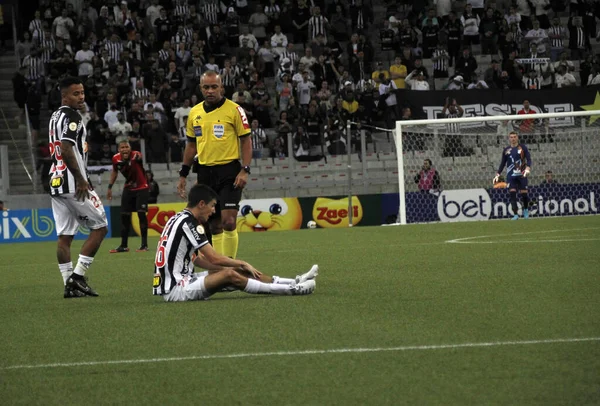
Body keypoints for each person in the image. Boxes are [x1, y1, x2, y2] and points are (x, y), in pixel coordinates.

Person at [154, 184, 317, 302]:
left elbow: (196, 259)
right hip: (176, 289)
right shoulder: (190, 223)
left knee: (233, 270)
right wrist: (242, 263)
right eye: (212, 206)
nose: (213, 211)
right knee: (230, 274)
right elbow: (214, 258)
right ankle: (291, 290)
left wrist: (232, 266)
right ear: (201, 204)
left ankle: (293, 281)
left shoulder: (179, 218)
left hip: (181, 280)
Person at [177, 71, 252, 259]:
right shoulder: (195, 112)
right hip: (205, 173)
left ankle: (231, 266)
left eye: (214, 87)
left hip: (229, 171)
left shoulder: (235, 110)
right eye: (206, 87)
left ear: (222, 88)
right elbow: (191, 145)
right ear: (201, 88)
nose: (210, 91)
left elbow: (246, 140)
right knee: (214, 225)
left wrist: (245, 169)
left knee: (228, 221)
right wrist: (183, 174)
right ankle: (220, 268)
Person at [48, 76, 108, 298]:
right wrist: (81, 179)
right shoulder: (72, 116)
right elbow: (65, 149)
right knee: (101, 226)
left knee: (65, 236)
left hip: (55, 181)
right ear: (64, 95)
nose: (81, 97)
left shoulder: (55, 116)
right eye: (76, 94)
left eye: (82, 93)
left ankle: (68, 284)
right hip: (72, 182)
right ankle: (78, 277)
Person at [107, 140, 150, 253]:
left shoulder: (136, 154)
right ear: (119, 150)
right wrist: (109, 187)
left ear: (130, 149)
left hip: (142, 187)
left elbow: (139, 157)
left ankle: (144, 245)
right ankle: (123, 246)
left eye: (127, 147)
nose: (125, 149)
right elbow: (115, 172)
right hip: (129, 188)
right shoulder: (115, 159)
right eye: (122, 147)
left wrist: (136, 159)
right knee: (124, 216)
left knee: (141, 214)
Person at [494, 131, 532, 220]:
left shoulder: (523, 148)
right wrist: (498, 173)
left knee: (524, 194)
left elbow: (529, 159)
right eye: (511, 137)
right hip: (511, 176)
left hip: (522, 175)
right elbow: (502, 163)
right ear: (509, 138)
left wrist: (528, 167)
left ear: (517, 137)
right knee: (512, 194)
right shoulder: (506, 150)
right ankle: (515, 214)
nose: (513, 138)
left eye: (514, 136)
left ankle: (525, 210)